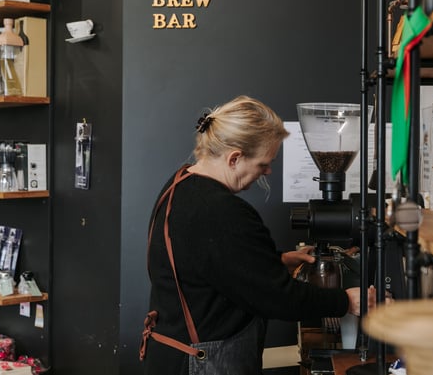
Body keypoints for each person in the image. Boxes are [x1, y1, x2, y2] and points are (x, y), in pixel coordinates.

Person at [140, 95, 378, 375]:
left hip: (169, 355)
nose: (267, 171)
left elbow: (213, 263)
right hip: (201, 365)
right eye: (264, 163)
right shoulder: (222, 211)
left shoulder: (180, 183)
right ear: (235, 158)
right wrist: (346, 302)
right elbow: (279, 298)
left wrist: (277, 261)